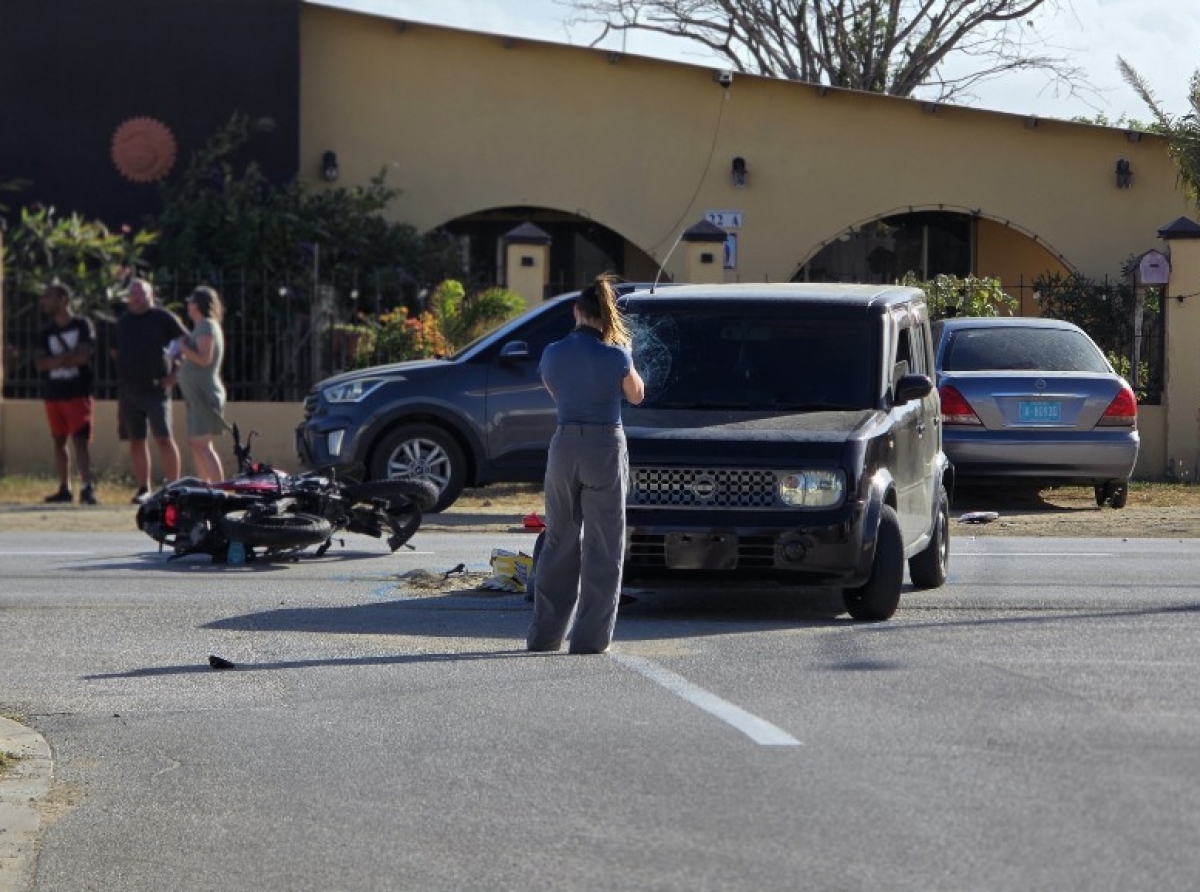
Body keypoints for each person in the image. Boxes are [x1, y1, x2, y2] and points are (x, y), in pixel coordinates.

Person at [527, 274, 645, 655]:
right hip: (605, 445)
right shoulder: (617, 354)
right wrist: (626, 354)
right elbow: (637, 395)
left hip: (564, 445)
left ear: (576, 311)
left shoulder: (552, 353)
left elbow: (556, 392)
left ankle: (544, 637)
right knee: (604, 544)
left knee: (559, 538)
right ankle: (590, 640)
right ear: (607, 316)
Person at [114, 278, 188, 504]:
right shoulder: (123, 321)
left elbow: (184, 343)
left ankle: (174, 488)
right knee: (136, 439)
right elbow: (115, 350)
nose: (136, 298)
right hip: (129, 389)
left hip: (156, 389)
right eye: (132, 294)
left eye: (141, 293)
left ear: (151, 295)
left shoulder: (163, 318)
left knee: (163, 437)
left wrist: (175, 374)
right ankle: (143, 489)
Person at [34, 281, 98, 505]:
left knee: (80, 440)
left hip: (78, 392)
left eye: (49, 296)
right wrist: (68, 357)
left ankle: (87, 486)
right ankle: (65, 487)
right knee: (58, 440)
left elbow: (84, 356)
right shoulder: (45, 332)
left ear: (63, 299)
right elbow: (40, 364)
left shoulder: (82, 325)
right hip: (54, 393)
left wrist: (56, 361)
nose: (44, 301)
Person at [176, 286, 229, 482]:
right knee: (196, 443)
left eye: (190, 302)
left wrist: (183, 347)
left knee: (203, 445)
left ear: (197, 305)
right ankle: (204, 488)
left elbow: (205, 359)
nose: (188, 306)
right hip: (196, 395)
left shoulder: (206, 325)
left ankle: (219, 489)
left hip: (204, 394)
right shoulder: (201, 327)